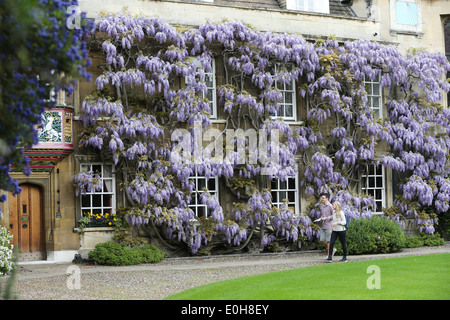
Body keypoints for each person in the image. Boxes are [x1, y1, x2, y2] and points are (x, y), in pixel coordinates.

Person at [319, 193, 333, 259]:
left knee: (328, 241)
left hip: (329, 225)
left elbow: (333, 215)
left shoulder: (330, 206)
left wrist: (327, 218)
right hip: (323, 225)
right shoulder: (322, 207)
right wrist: (320, 219)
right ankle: (332, 249)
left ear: (327, 198)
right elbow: (322, 215)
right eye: (322, 198)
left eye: (323, 198)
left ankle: (329, 255)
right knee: (322, 239)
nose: (322, 199)